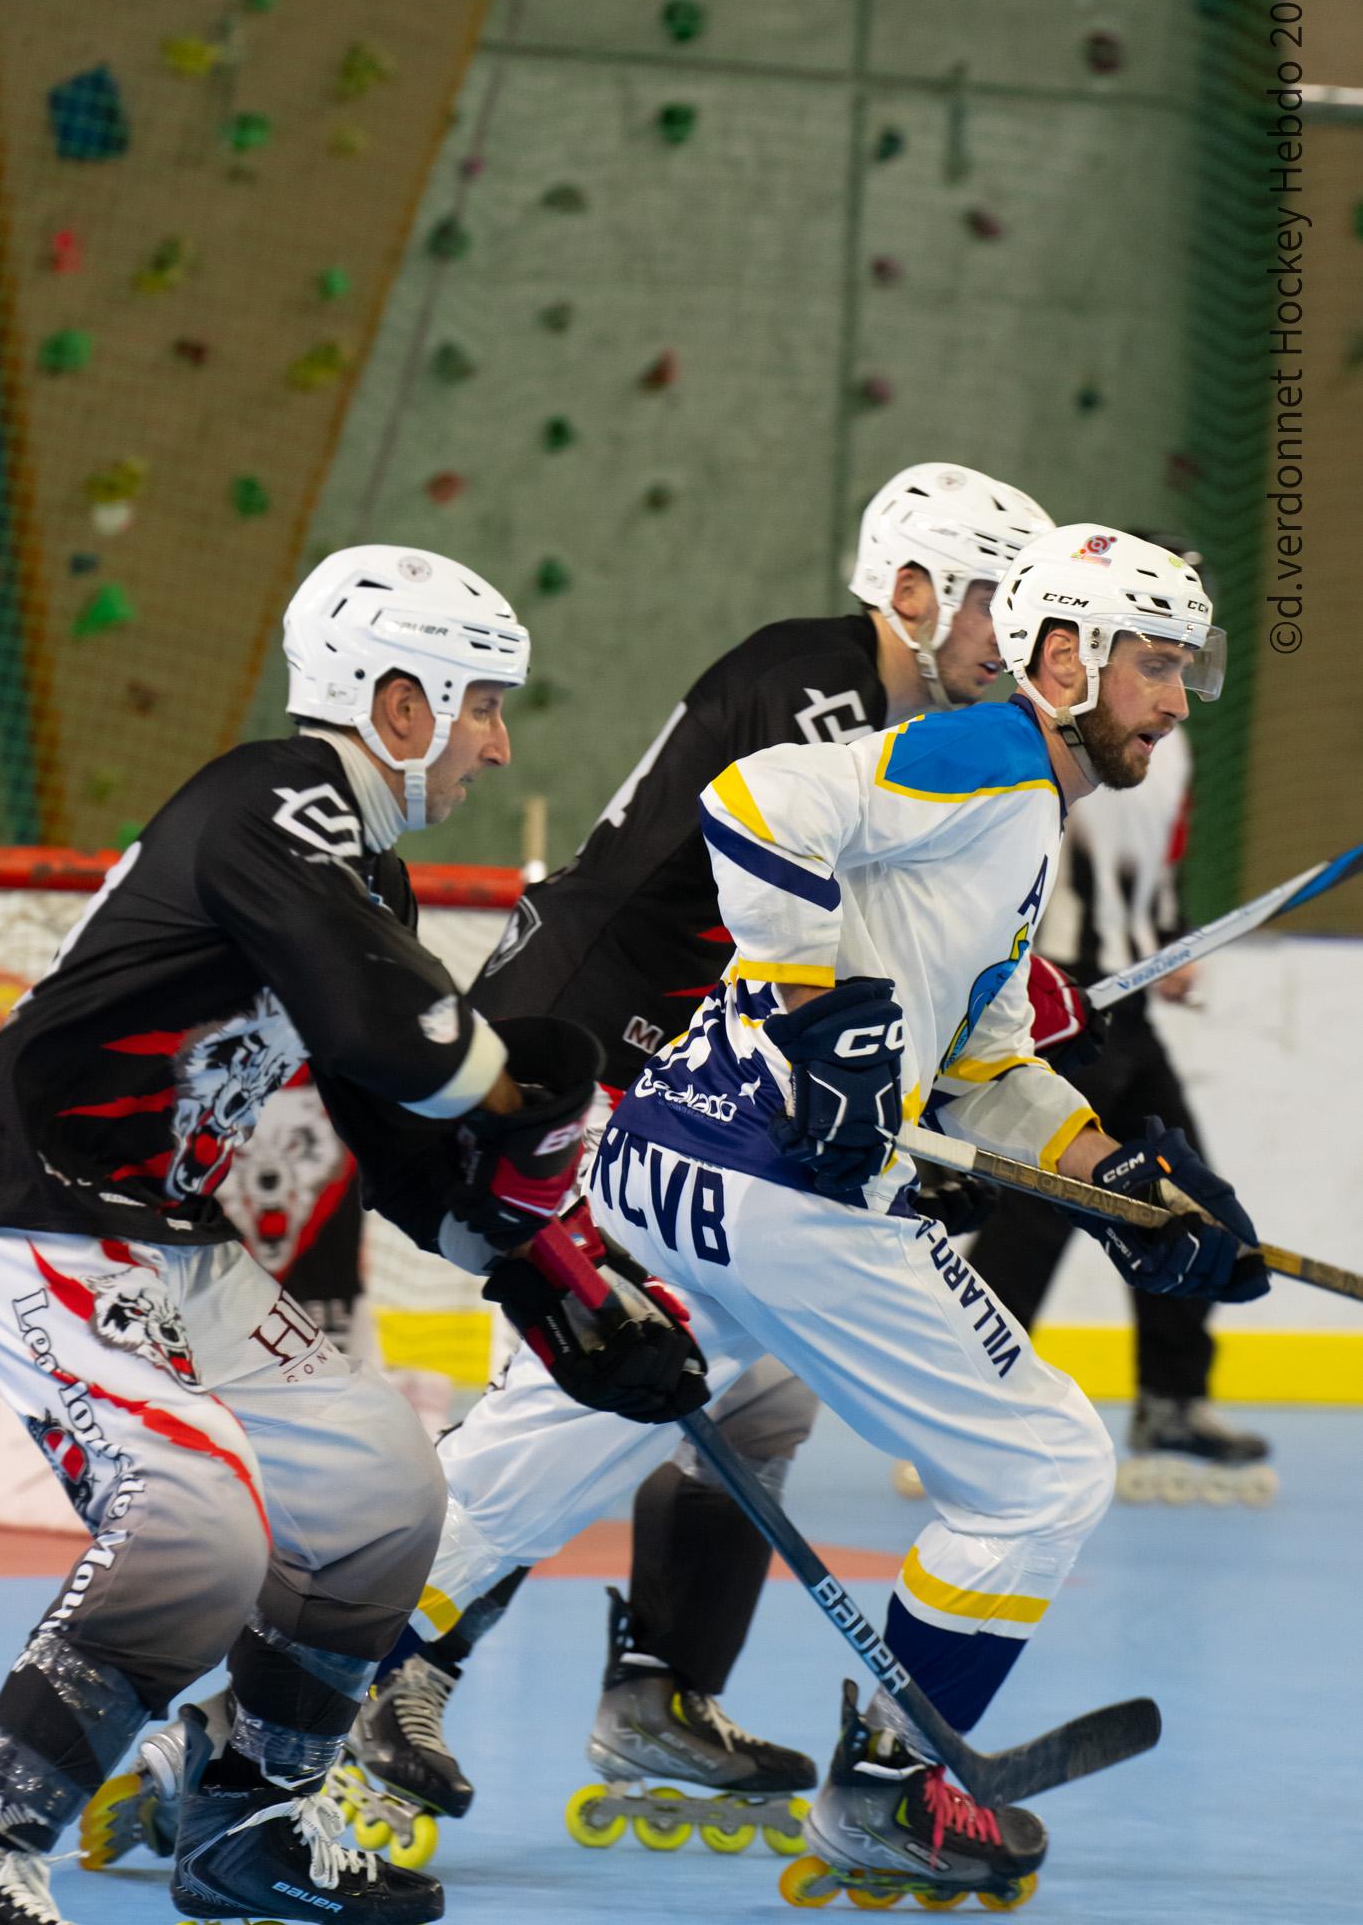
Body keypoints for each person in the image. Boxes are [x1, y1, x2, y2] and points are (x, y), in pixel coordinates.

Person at [355, 524, 1270, 1906]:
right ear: (1064, 659)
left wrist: (1124, 1184)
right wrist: (806, 1004)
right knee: (1041, 1472)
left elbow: (980, 1064)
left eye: (1186, 670)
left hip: (666, 1166)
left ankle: (287, 1702)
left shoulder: (1021, 813)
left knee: (532, 1461)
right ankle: (898, 1785)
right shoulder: (995, 753)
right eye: (1153, 663)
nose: (1175, 698)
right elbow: (754, 797)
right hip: (783, 1195)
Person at [327, 463, 1056, 1849]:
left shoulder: (924, 727)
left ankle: (658, 1693)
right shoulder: (815, 685)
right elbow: (808, 894)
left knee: (758, 1391)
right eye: (989, 603)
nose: (1009, 639)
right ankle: (375, 1679)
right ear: (910, 589)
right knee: (587, 1376)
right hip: (584, 1047)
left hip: (680, 1074)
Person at [0, 544, 701, 1925]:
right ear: (397, 702)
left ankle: (252, 1820)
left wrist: (560, 1286)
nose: (497, 744)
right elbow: (405, 1041)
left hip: (174, 1235)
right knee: (197, 1529)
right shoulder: (271, 798)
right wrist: (519, 1090)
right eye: (481, 706)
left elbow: (396, 1139)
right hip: (41, 1210)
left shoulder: (359, 869)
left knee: (382, 1496)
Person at [967, 697, 1275, 1502]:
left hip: (1125, 1003)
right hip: (1059, 995)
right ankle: (973, 1405)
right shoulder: (1061, 735)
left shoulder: (1170, 748)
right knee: (1040, 1203)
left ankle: (1170, 1400)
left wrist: (1164, 937)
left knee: (1180, 1192)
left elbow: (1156, 859)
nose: (1172, 686)